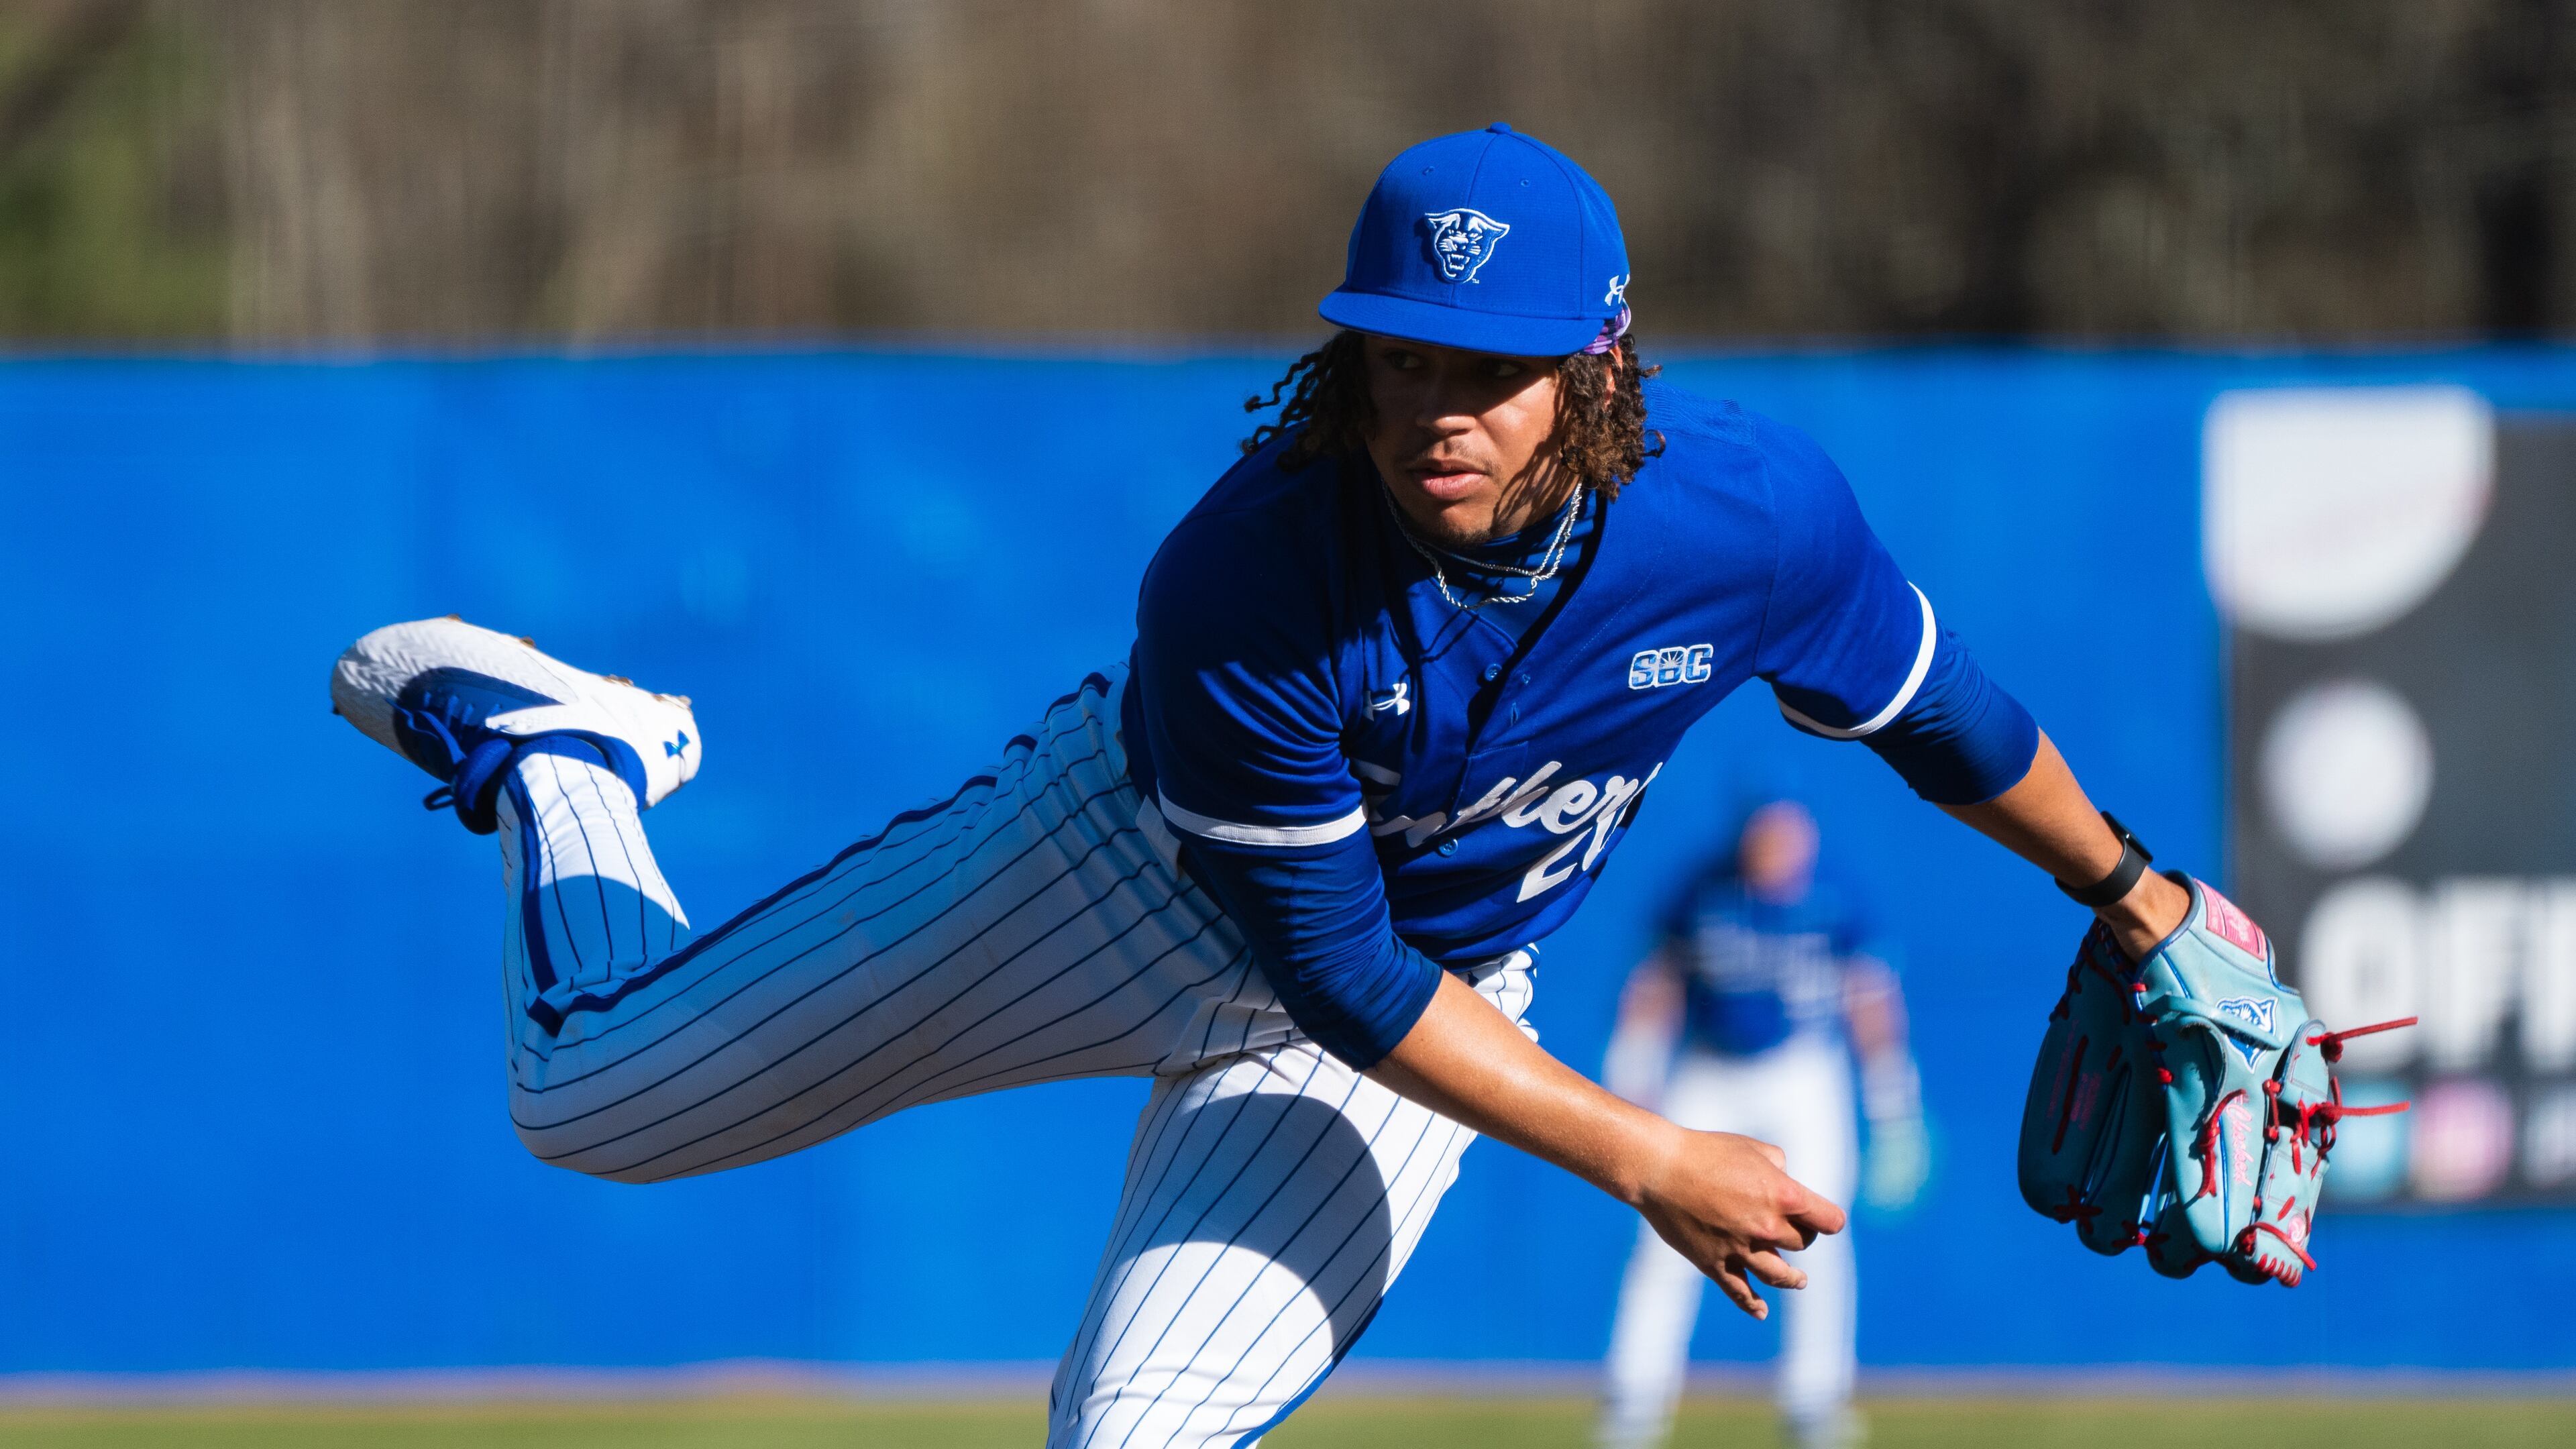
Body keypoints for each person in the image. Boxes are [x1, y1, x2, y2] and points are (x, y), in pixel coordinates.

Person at [329, 123, 2196, 1448]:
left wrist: (2139, 893)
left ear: (1600, 366)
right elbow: (1337, 972)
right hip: (1120, 881)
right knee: (584, 1095)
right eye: (1400, 352)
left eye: (1496, 365)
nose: (1437, 406)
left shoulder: (1753, 519)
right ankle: (570, 761)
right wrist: (1644, 1153)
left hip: (1428, 1005)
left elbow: (1942, 715)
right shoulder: (1245, 579)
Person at [1597, 798, 1925, 1449]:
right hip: (1710, 1071)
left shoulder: (1835, 892)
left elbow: (1870, 992)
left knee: (1821, 1236)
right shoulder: (1704, 886)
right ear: (1747, 836)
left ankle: (1815, 1402)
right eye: (1768, 838)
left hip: (1804, 1071)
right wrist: (1632, 1065)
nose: (1780, 852)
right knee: (1665, 1238)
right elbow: (1659, 977)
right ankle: (1634, 1402)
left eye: (1791, 838)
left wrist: (1893, 1100)